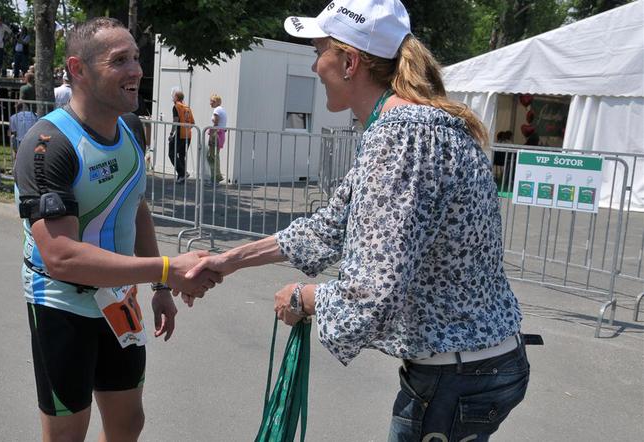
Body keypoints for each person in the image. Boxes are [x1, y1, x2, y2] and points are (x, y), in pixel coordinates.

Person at [187, 1, 532, 441]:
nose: (314, 66)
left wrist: (303, 297)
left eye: (318, 52)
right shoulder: (417, 125)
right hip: (479, 364)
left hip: (456, 376)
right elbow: (330, 226)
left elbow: (372, 293)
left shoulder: (400, 137)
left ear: (349, 62)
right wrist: (228, 260)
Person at [13, 17, 220, 442]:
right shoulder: (49, 145)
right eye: (119, 60)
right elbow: (62, 257)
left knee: (129, 424)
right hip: (62, 306)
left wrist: (160, 289)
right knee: (67, 435)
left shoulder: (131, 127)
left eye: (137, 58)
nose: (136, 70)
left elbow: (134, 203)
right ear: (78, 69)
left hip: (119, 302)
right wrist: (164, 270)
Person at [167, 90, 194, 183]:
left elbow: (175, 120)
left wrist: (171, 134)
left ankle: (182, 173)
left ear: (176, 97)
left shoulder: (176, 106)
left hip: (180, 134)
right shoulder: (187, 108)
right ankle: (181, 177)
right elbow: (193, 122)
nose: (172, 98)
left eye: (173, 96)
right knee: (181, 155)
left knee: (171, 153)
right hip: (188, 135)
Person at [206, 93, 227, 184]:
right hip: (220, 134)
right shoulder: (222, 110)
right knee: (215, 156)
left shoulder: (217, 110)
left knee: (212, 156)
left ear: (215, 102)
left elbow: (215, 122)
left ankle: (215, 178)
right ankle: (217, 177)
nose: (210, 103)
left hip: (216, 134)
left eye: (211, 101)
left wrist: (211, 134)